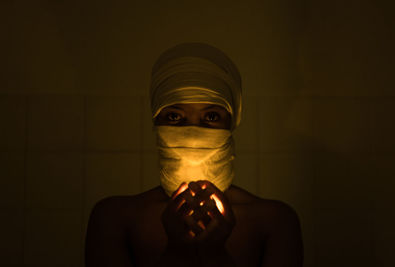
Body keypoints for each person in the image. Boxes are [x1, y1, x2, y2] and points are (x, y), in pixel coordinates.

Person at [85, 43, 303, 267]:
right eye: (173, 117)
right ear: (154, 121)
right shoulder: (114, 219)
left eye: (210, 116)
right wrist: (177, 251)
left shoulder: (274, 222)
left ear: (232, 121)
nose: (192, 135)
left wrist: (214, 254)